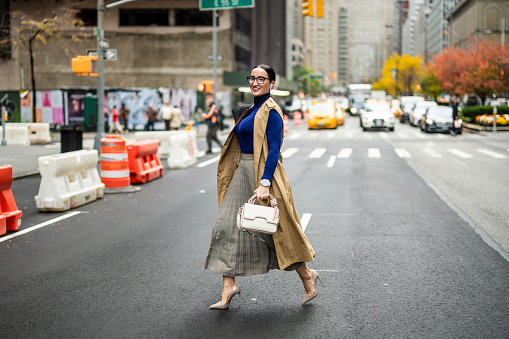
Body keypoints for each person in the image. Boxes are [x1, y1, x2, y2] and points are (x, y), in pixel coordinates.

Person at [203, 64, 320, 310]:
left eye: (261, 79)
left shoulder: (271, 111)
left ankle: (308, 277)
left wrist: (264, 183)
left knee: (280, 231)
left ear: (271, 83)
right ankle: (228, 287)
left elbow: (274, 148)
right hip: (241, 172)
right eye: (252, 78)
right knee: (225, 227)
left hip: (264, 174)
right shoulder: (252, 109)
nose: (255, 82)